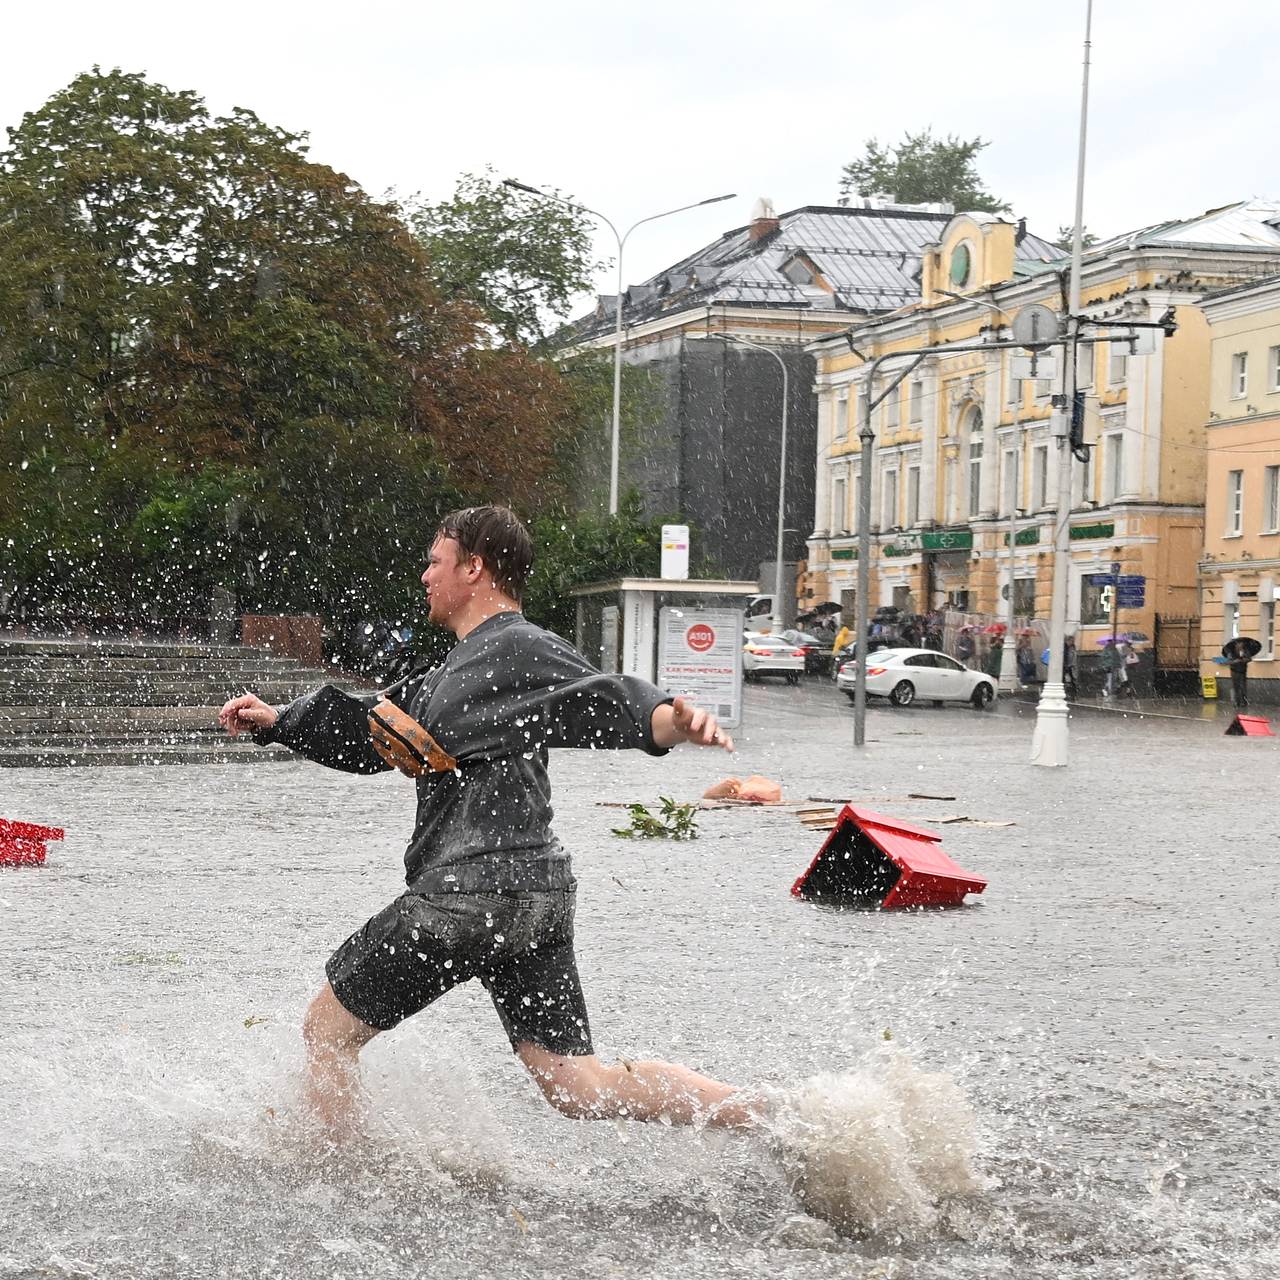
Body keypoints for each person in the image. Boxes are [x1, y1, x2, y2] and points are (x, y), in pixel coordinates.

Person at [219, 506, 757, 1140]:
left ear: (475, 568)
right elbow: (375, 731)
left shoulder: (518, 645)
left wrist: (670, 720)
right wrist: (281, 721)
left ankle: (340, 1178)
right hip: (535, 903)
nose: (424, 575)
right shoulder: (454, 671)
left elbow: (607, 696)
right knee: (576, 1085)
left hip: (466, 898)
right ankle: (771, 1116)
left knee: (326, 1031)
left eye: (435, 561)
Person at [1225, 636, 1254, 708]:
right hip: (1234, 671)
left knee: (1243, 687)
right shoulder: (1231, 652)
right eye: (1239, 643)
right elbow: (1228, 662)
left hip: (1243, 671)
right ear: (1236, 644)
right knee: (1236, 687)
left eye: (1242, 644)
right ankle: (1237, 702)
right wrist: (1235, 661)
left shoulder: (1245, 651)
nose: (1241, 645)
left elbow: (1249, 659)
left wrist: (1244, 660)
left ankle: (1244, 702)